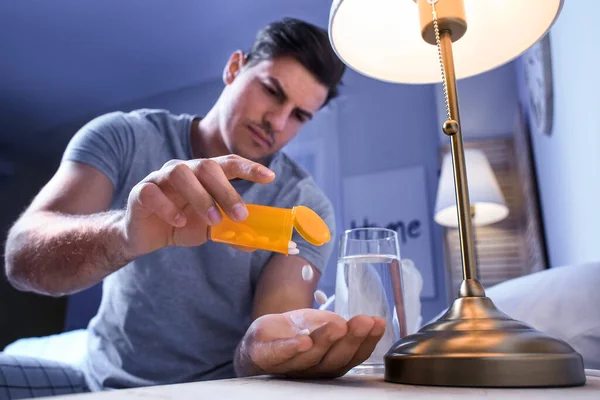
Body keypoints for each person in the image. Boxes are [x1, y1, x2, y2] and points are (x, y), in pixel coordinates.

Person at [3, 17, 386, 393]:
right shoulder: (123, 137)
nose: (278, 121)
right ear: (235, 67)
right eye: (272, 90)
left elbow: (267, 338)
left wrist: (270, 349)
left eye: (300, 115)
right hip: (99, 379)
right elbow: (22, 261)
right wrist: (125, 234)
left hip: (216, 389)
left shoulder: (304, 207)